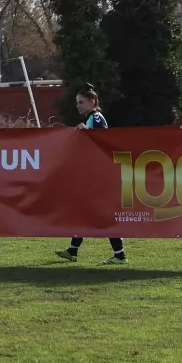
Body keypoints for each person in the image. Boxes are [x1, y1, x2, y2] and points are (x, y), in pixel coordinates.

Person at [56, 84, 127, 265]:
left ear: (92, 102)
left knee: (101, 214)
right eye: (76, 102)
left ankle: (119, 254)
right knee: (87, 212)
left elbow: (103, 140)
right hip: (95, 175)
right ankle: (73, 250)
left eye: (81, 102)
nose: (78, 105)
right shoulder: (90, 118)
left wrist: (86, 131)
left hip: (100, 176)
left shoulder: (95, 118)